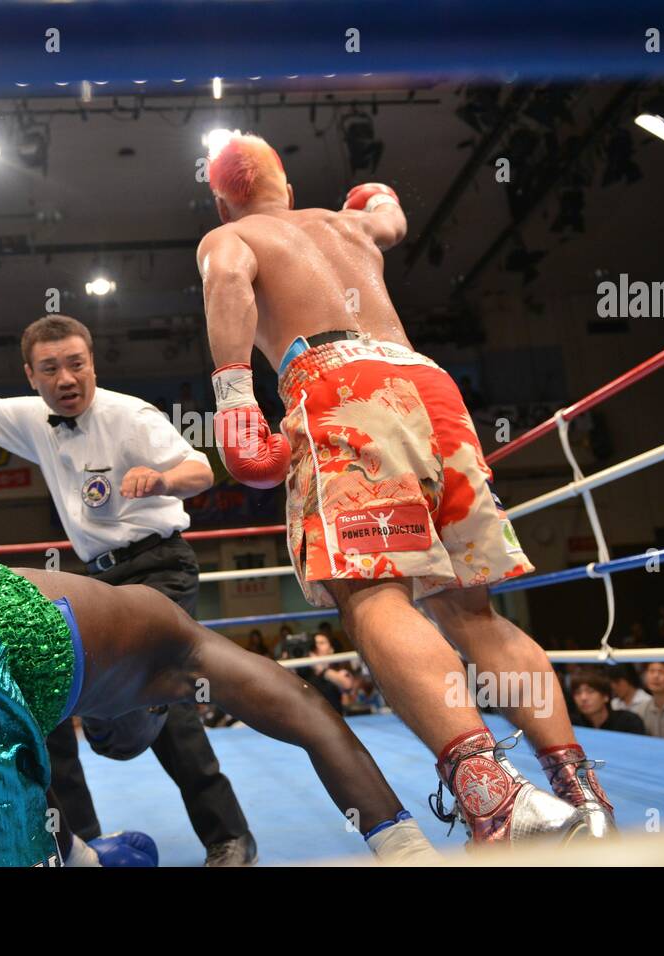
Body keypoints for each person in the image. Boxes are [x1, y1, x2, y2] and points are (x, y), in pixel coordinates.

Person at [196, 132, 605, 843]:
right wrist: (374, 195)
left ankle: (498, 803)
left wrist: (234, 401)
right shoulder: (347, 224)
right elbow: (391, 218)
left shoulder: (234, 235)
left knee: (372, 597)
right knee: (472, 612)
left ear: (221, 197)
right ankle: (584, 797)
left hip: (339, 388)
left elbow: (225, 278)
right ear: (286, 184)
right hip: (430, 388)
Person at [0, 285, 258, 866]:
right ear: (32, 374)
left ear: (92, 363)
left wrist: (161, 479)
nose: (67, 377)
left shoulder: (129, 414)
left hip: (160, 568)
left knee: (164, 694)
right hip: (96, 579)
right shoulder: (33, 419)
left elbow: (199, 470)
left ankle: (229, 838)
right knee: (47, 691)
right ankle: (84, 845)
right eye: (51, 368)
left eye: (77, 363)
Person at [0, 562, 439, 867]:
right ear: (165, 702)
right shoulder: (189, 649)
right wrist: (405, 848)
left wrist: (85, 854)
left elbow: (30, 786)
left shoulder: (69, 666)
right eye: (119, 736)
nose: (104, 733)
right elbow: (317, 720)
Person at [570, 669, 645, 735]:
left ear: (605, 696)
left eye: (590, 691)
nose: (583, 698)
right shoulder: (571, 724)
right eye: (577, 693)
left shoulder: (629, 722)